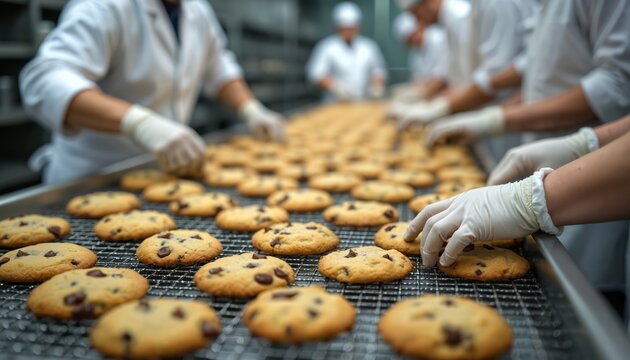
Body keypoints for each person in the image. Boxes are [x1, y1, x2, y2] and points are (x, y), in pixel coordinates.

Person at [421, 0, 630, 293]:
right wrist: (584, 143)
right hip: (556, 159)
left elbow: (617, 86)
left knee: (588, 292)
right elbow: (536, 76)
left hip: (602, 188)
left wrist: (530, 199)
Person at [20, 0, 285, 184]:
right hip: (95, 176)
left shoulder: (198, 10)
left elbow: (218, 68)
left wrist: (251, 109)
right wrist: (138, 123)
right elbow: (45, 79)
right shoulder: (104, 6)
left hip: (168, 170)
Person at [395, 0, 537, 131]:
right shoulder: (463, 15)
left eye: (416, 14)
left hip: (511, 115)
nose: (418, 21)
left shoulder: (476, 10)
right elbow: (463, 79)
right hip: (494, 113)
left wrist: (440, 108)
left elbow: (495, 75)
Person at [306, 2, 387, 102]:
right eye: (344, 29)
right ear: (337, 28)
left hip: (363, 102)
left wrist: (377, 87)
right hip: (334, 103)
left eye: (351, 29)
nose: (348, 32)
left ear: (358, 27)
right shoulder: (327, 47)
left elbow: (378, 71)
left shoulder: (369, 47)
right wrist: (336, 88)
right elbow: (316, 74)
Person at [390, 12, 448, 103]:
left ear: (420, 28)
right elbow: (417, 80)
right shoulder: (414, 53)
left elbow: (442, 78)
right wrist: (408, 90)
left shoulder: (438, 39)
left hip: (447, 96)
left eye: (410, 37)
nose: (409, 43)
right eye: (407, 41)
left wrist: (418, 94)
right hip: (431, 98)